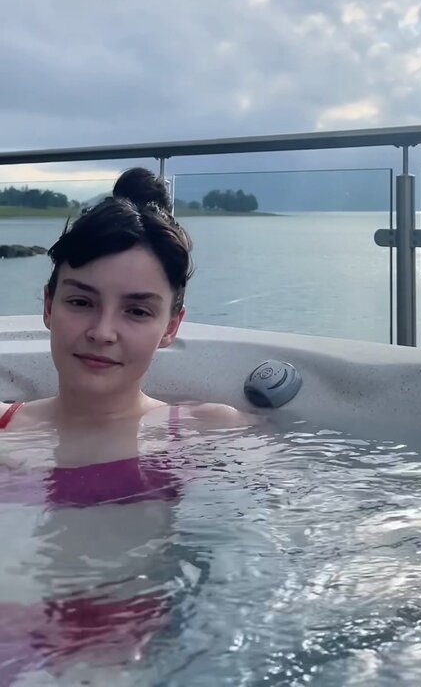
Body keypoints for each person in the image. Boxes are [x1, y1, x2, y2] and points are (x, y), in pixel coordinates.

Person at [0, 167, 260, 684]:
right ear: (48, 306)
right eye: (81, 302)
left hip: (122, 659)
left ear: (171, 326)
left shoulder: (208, 432)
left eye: (137, 312)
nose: (102, 332)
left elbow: (267, 548)